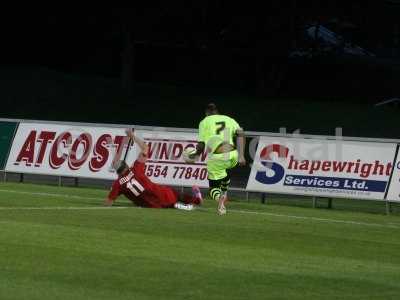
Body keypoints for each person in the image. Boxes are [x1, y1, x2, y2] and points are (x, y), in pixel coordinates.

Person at [105, 128, 203, 210]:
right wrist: (132, 136)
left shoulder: (118, 184)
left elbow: (108, 203)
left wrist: (114, 191)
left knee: (164, 199)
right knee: (175, 193)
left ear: (117, 172)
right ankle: (195, 200)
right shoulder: (135, 169)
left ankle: (176, 205)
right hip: (161, 194)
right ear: (126, 166)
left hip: (150, 206)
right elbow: (145, 148)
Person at [190, 103, 246, 215]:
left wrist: (194, 155)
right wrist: (241, 155)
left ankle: (220, 199)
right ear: (217, 111)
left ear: (207, 112)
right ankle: (224, 192)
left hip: (217, 157)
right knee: (226, 172)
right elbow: (241, 133)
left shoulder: (204, 122)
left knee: (213, 189)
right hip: (233, 154)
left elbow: (201, 145)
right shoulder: (229, 119)